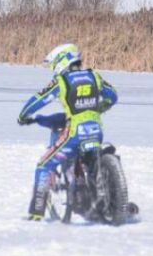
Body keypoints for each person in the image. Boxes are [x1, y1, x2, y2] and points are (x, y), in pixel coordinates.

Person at [17, 43, 119, 221]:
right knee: (90, 164)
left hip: (74, 134)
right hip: (96, 131)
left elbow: (39, 99)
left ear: (62, 61)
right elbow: (113, 96)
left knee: (44, 165)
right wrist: (99, 109)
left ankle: (35, 214)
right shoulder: (94, 76)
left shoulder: (62, 81)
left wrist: (23, 115)